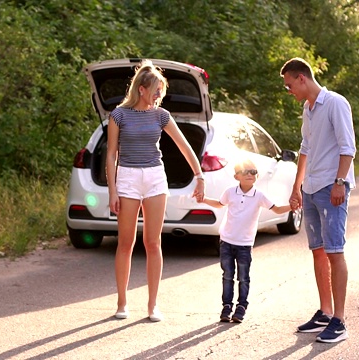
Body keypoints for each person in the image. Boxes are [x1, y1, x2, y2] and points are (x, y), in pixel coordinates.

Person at [106, 59, 205, 322]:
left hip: (154, 179)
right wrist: (112, 191)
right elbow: (111, 155)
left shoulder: (162, 115)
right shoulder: (118, 115)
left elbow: (184, 146)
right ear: (141, 89)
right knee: (126, 243)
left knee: (153, 242)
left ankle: (152, 305)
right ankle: (122, 303)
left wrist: (199, 174)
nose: (160, 94)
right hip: (127, 177)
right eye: (156, 89)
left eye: (161, 89)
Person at [280, 58, 356, 343]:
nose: (289, 91)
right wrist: (297, 187)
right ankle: (325, 312)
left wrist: (339, 182)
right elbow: (306, 148)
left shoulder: (336, 103)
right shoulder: (307, 109)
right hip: (311, 188)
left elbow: (348, 147)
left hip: (331, 187)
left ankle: (340, 320)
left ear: (302, 78)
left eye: (290, 85)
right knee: (318, 251)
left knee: (335, 252)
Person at [198, 159, 291, 323]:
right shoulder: (230, 192)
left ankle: (241, 307)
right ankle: (226, 306)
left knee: (243, 277)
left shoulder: (259, 195)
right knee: (227, 276)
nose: (250, 174)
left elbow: (276, 209)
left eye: (253, 172)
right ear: (236, 176)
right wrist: (203, 199)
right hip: (226, 242)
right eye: (246, 171)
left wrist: (292, 206)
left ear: (257, 176)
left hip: (244, 245)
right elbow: (219, 204)